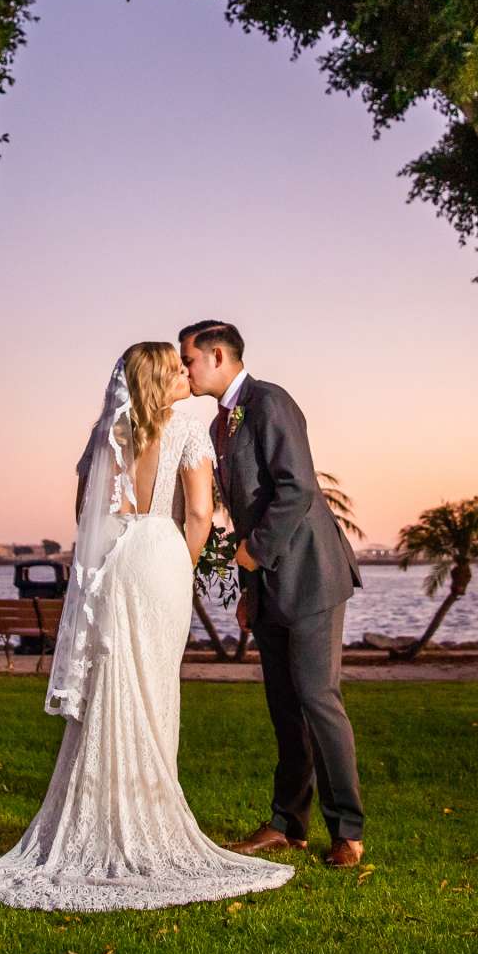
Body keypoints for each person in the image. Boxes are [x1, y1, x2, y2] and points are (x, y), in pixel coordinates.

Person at [0, 342, 298, 910]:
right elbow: (201, 515)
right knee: (154, 687)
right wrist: (179, 565)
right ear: (161, 378)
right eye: (176, 368)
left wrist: (115, 552)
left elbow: (85, 511)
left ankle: (101, 817)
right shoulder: (187, 429)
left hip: (115, 562)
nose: (186, 373)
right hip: (160, 556)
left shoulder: (105, 432)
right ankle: (146, 815)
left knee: (111, 685)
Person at [179, 320, 365, 868]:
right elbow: (243, 511)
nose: (185, 371)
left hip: (310, 575)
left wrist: (255, 553)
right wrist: (248, 588)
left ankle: (348, 832)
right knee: (285, 708)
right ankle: (288, 824)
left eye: (189, 360)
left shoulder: (270, 402)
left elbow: (297, 488)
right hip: (268, 585)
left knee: (317, 700)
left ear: (217, 355)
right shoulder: (220, 426)